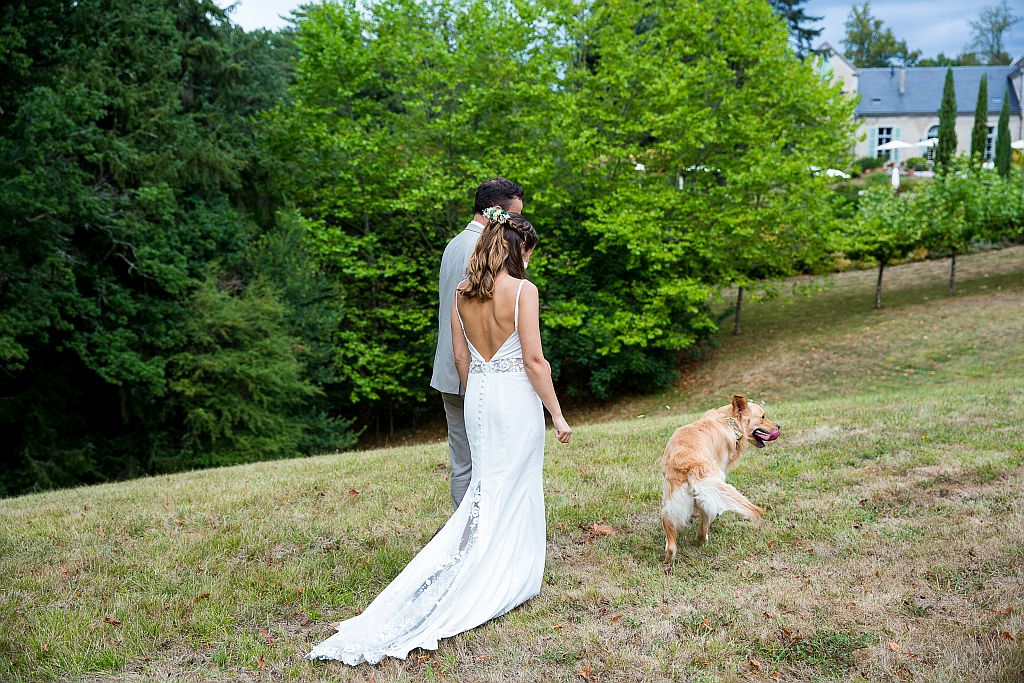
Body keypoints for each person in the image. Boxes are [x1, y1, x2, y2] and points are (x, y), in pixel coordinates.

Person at [305, 208, 571, 666]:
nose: (530, 260)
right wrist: (559, 415)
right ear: (515, 249)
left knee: (486, 485)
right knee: (515, 482)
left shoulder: (462, 294)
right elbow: (535, 362)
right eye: (528, 251)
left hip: (480, 397)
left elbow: (461, 358)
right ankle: (509, 574)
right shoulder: (524, 291)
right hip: (513, 399)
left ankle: (485, 560)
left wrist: (473, 399)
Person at [430, 178, 524, 510]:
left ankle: (463, 533)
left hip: (447, 370)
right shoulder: (484, 252)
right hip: (478, 372)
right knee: (490, 463)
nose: (516, 227)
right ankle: (482, 536)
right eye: (514, 218)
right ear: (497, 213)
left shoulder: (453, 245)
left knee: (462, 464)